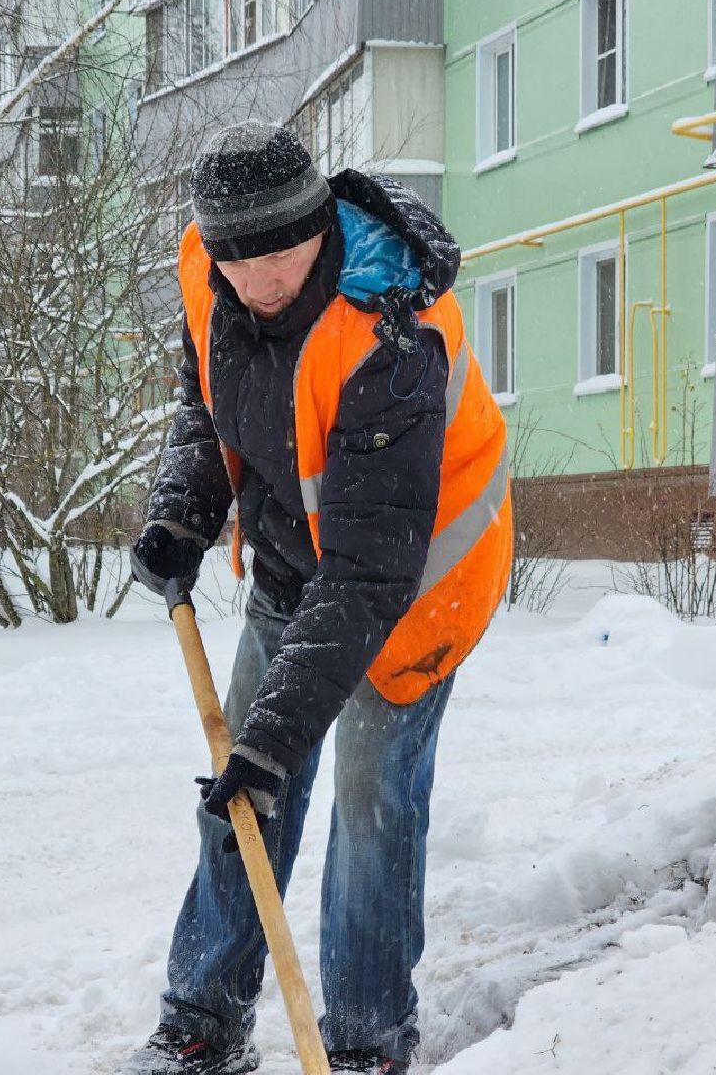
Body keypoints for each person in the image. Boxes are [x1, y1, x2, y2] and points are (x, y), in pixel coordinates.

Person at [124, 121, 513, 1075]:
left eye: (279, 255)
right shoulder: (209, 276)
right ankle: (202, 1021)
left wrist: (275, 739)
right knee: (241, 800)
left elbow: (375, 568)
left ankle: (367, 1041)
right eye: (235, 259)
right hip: (300, 566)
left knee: (369, 802)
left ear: (318, 226)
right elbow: (206, 401)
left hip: (417, 582)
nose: (256, 282)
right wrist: (185, 511)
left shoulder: (392, 331)